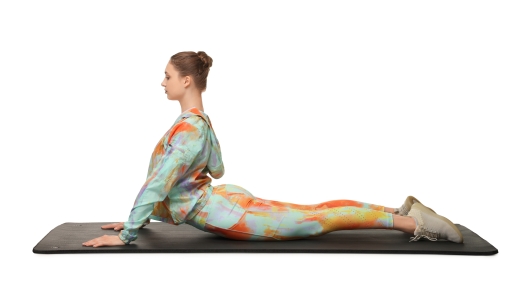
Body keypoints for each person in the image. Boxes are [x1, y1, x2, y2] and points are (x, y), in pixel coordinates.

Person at [82, 51, 463, 248]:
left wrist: (129, 231)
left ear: (185, 80)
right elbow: (217, 169)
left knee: (315, 220)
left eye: (166, 76)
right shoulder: (201, 123)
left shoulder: (185, 131)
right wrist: (141, 219)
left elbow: (160, 183)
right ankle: (399, 210)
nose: (161, 82)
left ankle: (415, 223)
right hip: (223, 198)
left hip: (222, 211)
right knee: (312, 211)